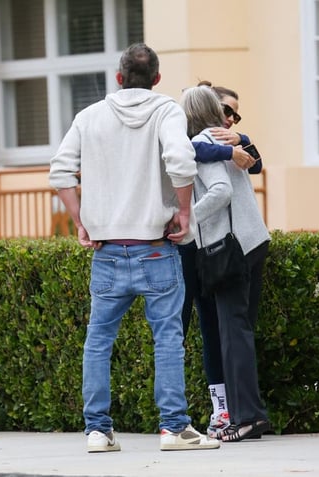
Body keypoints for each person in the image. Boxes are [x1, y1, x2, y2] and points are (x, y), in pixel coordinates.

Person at [48, 43, 220, 453]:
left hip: (107, 250)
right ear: (157, 79)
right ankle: (174, 429)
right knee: (167, 338)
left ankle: (97, 431)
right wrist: (183, 211)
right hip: (156, 248)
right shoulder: (166, 111)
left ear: (119, 78)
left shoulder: (89, 117)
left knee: (98, 340)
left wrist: (81, 221)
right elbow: (180, 159)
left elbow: (59, 170)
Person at [179, 85, 271, 442]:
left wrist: (186, 219)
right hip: (254, 241)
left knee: (233, 336)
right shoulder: (221, 141)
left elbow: (220, 192)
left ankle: (247, 418)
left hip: (231, 248)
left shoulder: (206, 142)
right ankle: (250, 415)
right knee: (241, 333)